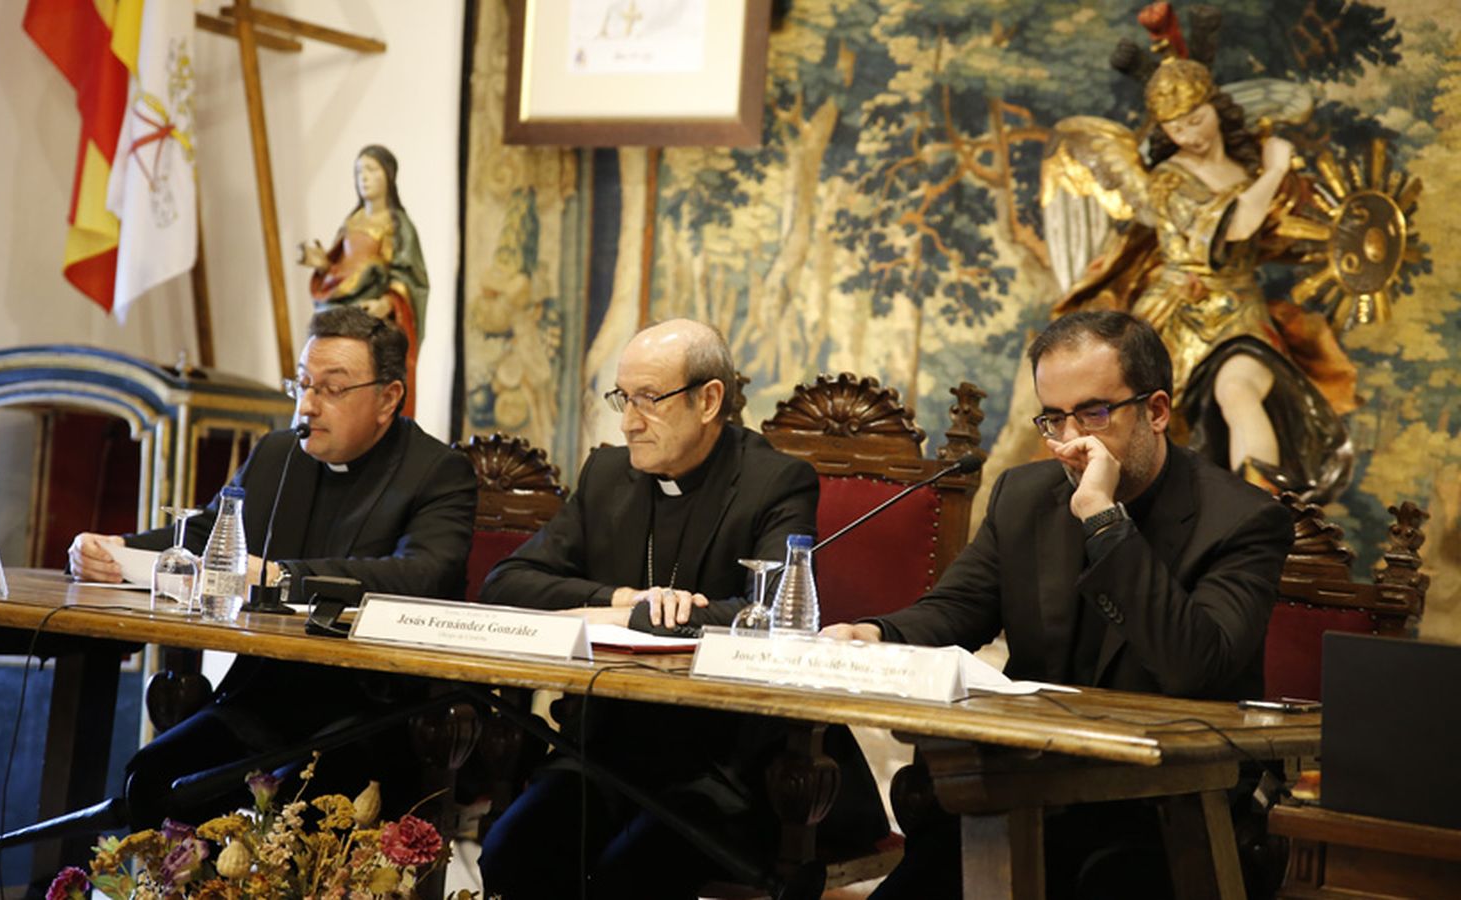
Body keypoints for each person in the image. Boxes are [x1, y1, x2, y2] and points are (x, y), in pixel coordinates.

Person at [822, 310, 1293, 897]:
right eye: (1054, 419)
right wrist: (876, 635)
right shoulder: (1025, 496)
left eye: (1094, 413)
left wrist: (1104, 519)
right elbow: (957, 610)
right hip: (1026, 787)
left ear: (1156, 411)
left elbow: (1195, 665)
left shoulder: (1243, 521)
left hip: (1165, 810)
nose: (1070, 442)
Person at [476, 319, 888, 899]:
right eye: (623, 398)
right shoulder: (608, 475)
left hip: (730, 767)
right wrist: (622, 602)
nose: (628, 421)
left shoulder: (774, 482)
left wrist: (645, 618)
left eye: (649, 399)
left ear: (709, 400)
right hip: (609, 749)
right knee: (513, 848)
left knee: (630, 874)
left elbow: (771, 617)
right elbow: (507, 582)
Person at [68, 306, 476, 826]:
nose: (308, 405)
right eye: (303, 384)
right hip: (267, 699)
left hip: (374, 713)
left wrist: (283, 577)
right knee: (152, 777)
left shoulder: (437, 473)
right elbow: (206, 534)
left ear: (388, 397)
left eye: (332, 389)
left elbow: (425, 575)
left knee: (302, 804)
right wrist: (116, 549)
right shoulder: (278, 454)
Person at [1051, 56, 1356, 500]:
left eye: (1197, 119)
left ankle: (1258, 511)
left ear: (1216, 107)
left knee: (1238, 389)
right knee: (1145, 426)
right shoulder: (1169, 181)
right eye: (1177, 128)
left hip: (1241, 314)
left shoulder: (1247, 171)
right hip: (1177, 317)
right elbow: (1234, 227)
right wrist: (1274, 171)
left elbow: (1280, 232)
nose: (1191, 136)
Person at [298, 144, 429, 417]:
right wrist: (323, 263)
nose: (364, 178)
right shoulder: (353, 220)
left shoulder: (397, 224)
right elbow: (343, 268)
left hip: (371, 319)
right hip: (338, 312)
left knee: (360, 387)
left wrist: (387, 302)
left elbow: (411, 276)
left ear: (389, 176)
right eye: (359, 172)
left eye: (371, 170)